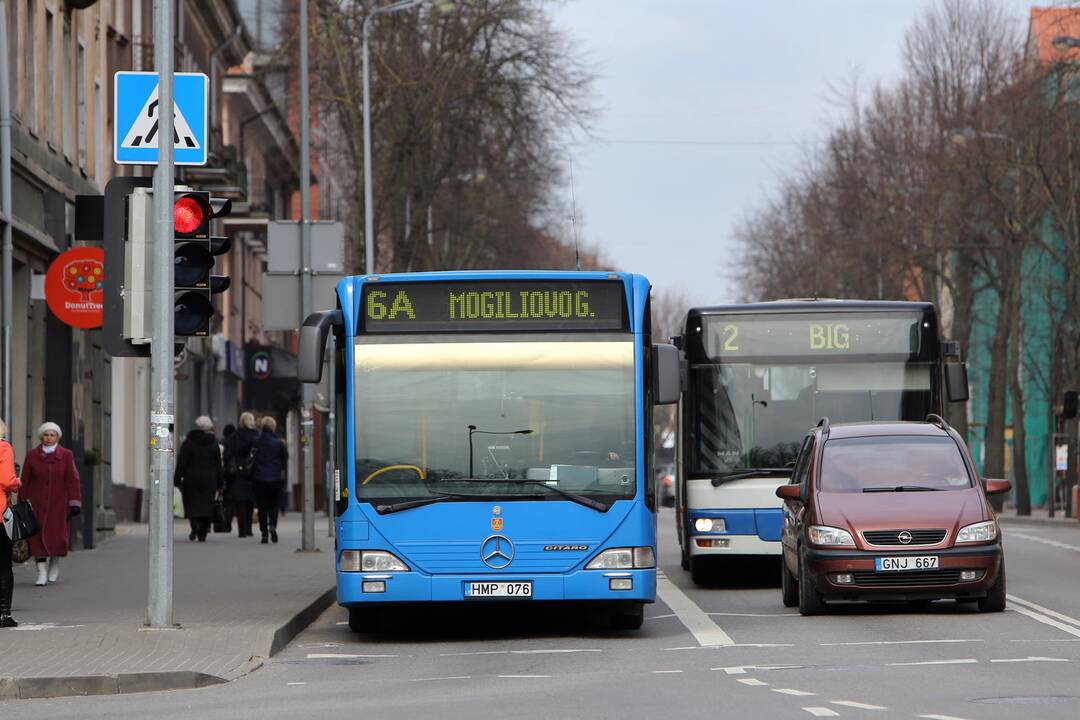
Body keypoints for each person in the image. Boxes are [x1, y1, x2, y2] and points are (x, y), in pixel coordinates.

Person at [20, 422, 81, 586]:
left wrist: (75, 502)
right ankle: (41, 572)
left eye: (52, 435)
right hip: (36, 504)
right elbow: (25, 480)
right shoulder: (32, 455)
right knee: (36, 538)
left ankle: (54, 563)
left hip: (58, 504)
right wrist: (22, 504)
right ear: (41, 436)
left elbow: (72, 480)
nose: (48, 438)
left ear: (57, 437)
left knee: (57, 539)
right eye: (46, 435)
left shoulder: (66, 455)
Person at [174, 416, 223, 542]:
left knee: (191, 504)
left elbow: (182, 462)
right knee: (207, 505)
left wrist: (177, 478)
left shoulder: (188, 442)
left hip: (191, 479)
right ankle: (203, 531)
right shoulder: (214, 443)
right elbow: (218, 464)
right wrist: (220, 483)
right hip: (209, 479)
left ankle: (194, 525)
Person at [223, 412, 259, 538]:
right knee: (250, 501)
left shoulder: (235, 435)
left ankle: (242, 530)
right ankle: (249, 529)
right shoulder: (256, 436)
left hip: (238, 472)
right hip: (252, 472)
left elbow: (227, 454)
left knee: (240, 502)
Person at [252, 416, 287, 544]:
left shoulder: (256, 442)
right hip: (275, 479)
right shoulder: (279, 443)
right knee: (273, 505)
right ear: (273, 427)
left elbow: (252, 459)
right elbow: (284, 461)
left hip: (259, 478)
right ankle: (272, 525)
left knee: (262, 506)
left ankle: (264, 534)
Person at [1, 418, 22, 626]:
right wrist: (17, 483)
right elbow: (7, 480)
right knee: (3, 565)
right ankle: (4, 614)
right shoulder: (3, 448)